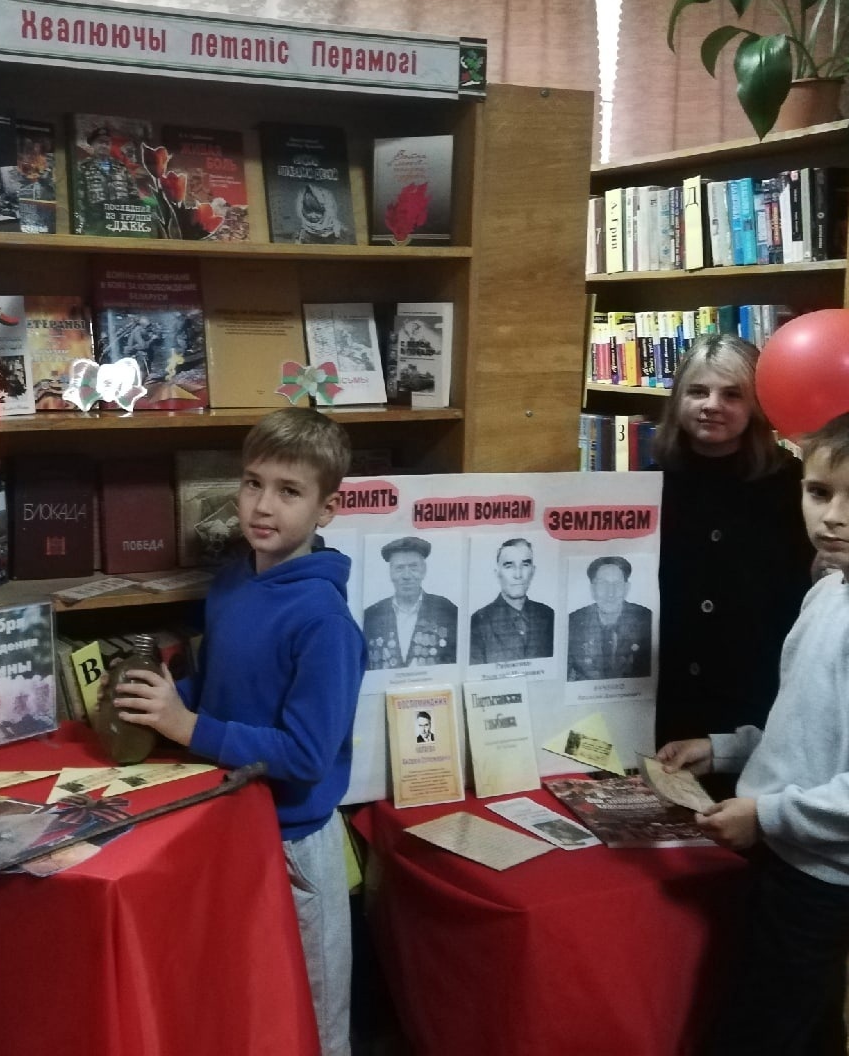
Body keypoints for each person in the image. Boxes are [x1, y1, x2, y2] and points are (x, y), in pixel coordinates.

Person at [658, 406, 849, 1056]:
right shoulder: (830, 590)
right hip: (791, 847)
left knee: (755, 1032)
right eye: (819, 492)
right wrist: (727, 748)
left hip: (827, 873)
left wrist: (767, 814)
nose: (833, 516)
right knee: (807, 1019)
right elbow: (813, 723)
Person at [113, 408, 367, 1056]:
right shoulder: (233, 582)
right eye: (254, 482)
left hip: (294, 843)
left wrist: (187, 725)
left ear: (327, 509)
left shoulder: (324, 622)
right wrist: (161, 702)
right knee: (250, 1006)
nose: (263, 505)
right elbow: (222, 686)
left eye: (289, 491)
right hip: (230, 822)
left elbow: (306, 755)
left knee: (313, 1014)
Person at [654, 334, 815, 745]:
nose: (711, 405)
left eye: (732, 394)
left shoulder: (796, 486)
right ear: (677, 399)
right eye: (697, 391)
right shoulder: (646, 486)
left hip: (755, 700)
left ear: (757, 405)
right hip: (663, 696)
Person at [361, 536, 459, 669]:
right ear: (390, 572)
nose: (406, 576)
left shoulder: (447, 611)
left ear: (424, 570)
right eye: (399, 568)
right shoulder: (371, 616)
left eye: (413, 567)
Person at [468, 537, 555, 663]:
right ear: (497, 573)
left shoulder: (549, 615)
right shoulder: (479, 621)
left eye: (525, 565)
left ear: (533, 571)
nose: (518, 575)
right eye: (509, 566)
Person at [565, 556, 654, 679]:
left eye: (617, 584)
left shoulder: (646, 620)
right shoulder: (573, 623)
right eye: (603, 584)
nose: (610, 593)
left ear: (626, 588)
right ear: (592, 589)